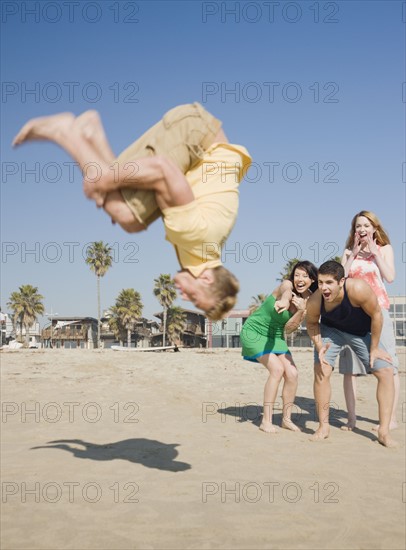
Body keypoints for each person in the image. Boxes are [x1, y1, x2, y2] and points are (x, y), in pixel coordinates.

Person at [13, 104, 252, 320]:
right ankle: (65, 132)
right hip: (194, 134)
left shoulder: (201, 254)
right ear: (207, 279)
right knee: (123, 208)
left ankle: (92, 134)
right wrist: (104, 180)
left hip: (200, 143)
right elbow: (162, 169)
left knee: (129, 216)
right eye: (196, 298)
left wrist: (106, 181)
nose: (186, 298)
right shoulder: (195, 235)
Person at [306, 260, 397, 448]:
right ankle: (323, 427)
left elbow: (377, 315)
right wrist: (318, 345)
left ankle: (384, 431)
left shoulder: (358, 289)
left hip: (361, 333)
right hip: (332, 331)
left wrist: (374, 347)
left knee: (386, 372)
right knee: (322, 370)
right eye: (321, 282)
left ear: (341, 281)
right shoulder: (316, 299)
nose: (324, 288)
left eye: (329, 282)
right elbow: (312, 323)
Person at [240, 261, 318, 433]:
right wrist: (284, 301)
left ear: (312, 280)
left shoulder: (308, 300)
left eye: (305, 276)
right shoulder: (287, 284)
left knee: (292, 373)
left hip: (275, 335)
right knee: (277, 370)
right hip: (254, 332)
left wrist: (299, 312)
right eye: (297, 274)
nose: (300, 278)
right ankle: (266, 421)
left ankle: (286, 419)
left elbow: (289, 329)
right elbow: (285, 292)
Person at [339, 211, 399, 431]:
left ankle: (390, 419)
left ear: (374, 228)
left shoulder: (385, 249)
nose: (361, 229)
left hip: (378, 311)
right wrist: (353, 255)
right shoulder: (348, 252)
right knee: (349, 368)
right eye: (357, 226)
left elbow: (390, 277)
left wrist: (375, 253)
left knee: (389, 365)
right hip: (352, 315)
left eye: (366, 225)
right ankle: (352, 419)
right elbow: (340, 281)